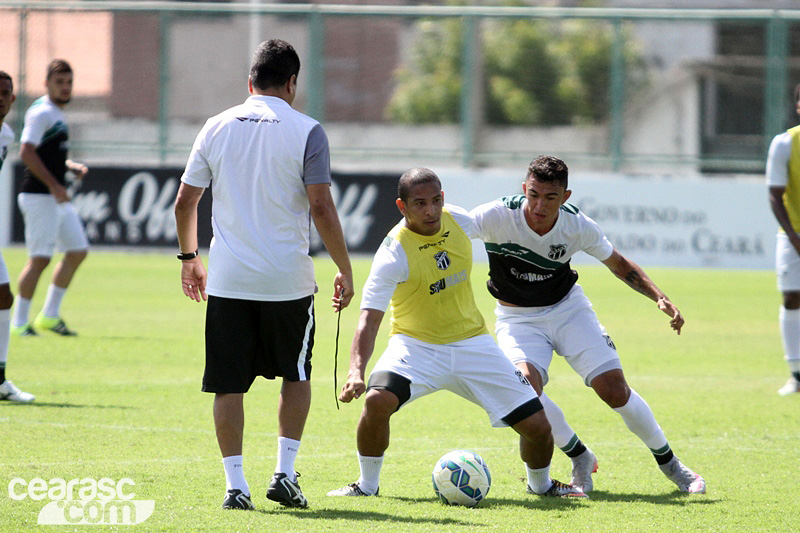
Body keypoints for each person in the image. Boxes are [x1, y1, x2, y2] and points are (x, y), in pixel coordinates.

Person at [328, 168, 587, 500]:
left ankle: (542, 486)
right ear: (401, 206)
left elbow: (509, 225)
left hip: (473, 343)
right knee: (377, 400)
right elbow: (369, 320)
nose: (431, 211)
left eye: (436, 201)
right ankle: (366, 485)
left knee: (538, 427)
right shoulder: (393, 253)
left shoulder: (460, 221)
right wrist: (355, 372)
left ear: (443, 198)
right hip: (415, 346)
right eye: (420, 203)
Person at [174, 39, 354, 511]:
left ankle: (236, 487)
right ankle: (285, 474)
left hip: (229, 282)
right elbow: (320, 206)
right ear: (292, 82)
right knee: (295, 375)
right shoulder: (308, 130)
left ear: (249, 81)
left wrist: (189, 257)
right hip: (287, 282)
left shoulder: (215, 126)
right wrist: (344, 267)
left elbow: (185, 202)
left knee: (227, 384)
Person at [469, 155, 705, 494]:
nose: (539, 206)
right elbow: (448, 229)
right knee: (526, 390)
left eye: (550, 198)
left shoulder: (576, 225)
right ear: (524, 189)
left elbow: (618, 263)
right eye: (533, 194)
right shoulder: (495, 216)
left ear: (565, 197)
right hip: (517, 318)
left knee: (614, 390)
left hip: (568, 310)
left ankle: (671, 464)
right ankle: (579, 456)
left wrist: (659, 296)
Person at [12, 59, 89, 337]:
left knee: (78, 250)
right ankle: (19, 321)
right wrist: (56, 185)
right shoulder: (42, 112)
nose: (66, 88)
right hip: (38, 196)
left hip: (55, 197)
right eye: (60, 82)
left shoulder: (56, 113)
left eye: (69, 82)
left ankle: (49, 315)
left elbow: (49, 154)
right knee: (40, 259)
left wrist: (69, 166)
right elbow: (26, 152)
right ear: (46, 84)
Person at [0, 71, 34, 402]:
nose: (1, 97)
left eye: (5, 92)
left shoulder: (6, 134)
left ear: (13, 98)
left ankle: (0, 381)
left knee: (2, 296)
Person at [767, 82, 800, 396]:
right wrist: (793, 237)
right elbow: (775, 195)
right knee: (792, 297)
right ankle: (797, 373)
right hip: (794, 234)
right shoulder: (786, 143)